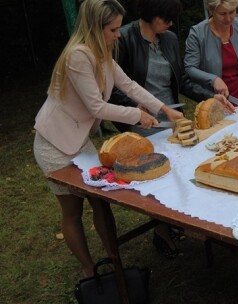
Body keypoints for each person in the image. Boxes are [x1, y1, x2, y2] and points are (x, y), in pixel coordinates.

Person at [33, 0, 184, 277]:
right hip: (54, 143)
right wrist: (137, 116)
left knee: (100, 201)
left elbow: (129, 85)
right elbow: (96, 107)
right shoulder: (78, 55)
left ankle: (114, 261)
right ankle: (91, 271)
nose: (118, 34)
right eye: (113, 29)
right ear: (95, 27)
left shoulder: (101, 52)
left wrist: (163, 109)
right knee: (72, 211)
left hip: (78, 140)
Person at [110, 0, 211, 259]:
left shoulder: (167, 39)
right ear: (151, 15)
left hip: (171, 119)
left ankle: (184, 219)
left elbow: (183, 81)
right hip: (141, 123)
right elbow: (114, 91)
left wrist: (208, 97)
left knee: (187, 168)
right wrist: (137, 111)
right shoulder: (124, 39)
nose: (170, 24)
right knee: (160, 177)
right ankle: (162, 230)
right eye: (166, 19)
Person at [184, 0, 238, 104]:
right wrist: (213, 79)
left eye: (232, 12)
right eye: (222, 14)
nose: (228, 18)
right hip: (215, 102)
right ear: (211, 11)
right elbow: (190, 68)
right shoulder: (197, 34)